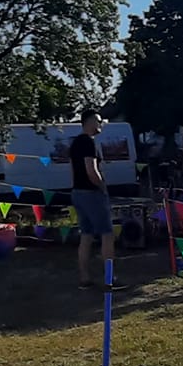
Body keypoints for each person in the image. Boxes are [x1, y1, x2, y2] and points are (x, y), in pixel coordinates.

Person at [68, 107, 115, 289]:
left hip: (77, 192)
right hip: (91, 193)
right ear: (89, 122)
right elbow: (91, 170)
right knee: (107, 234)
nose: (101, 123)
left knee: (86, 236)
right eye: (98, 120)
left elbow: (73, 170)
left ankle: (85, 278)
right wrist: (102, 188)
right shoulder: (88, 142)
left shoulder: (75, 143)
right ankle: (109, 278)